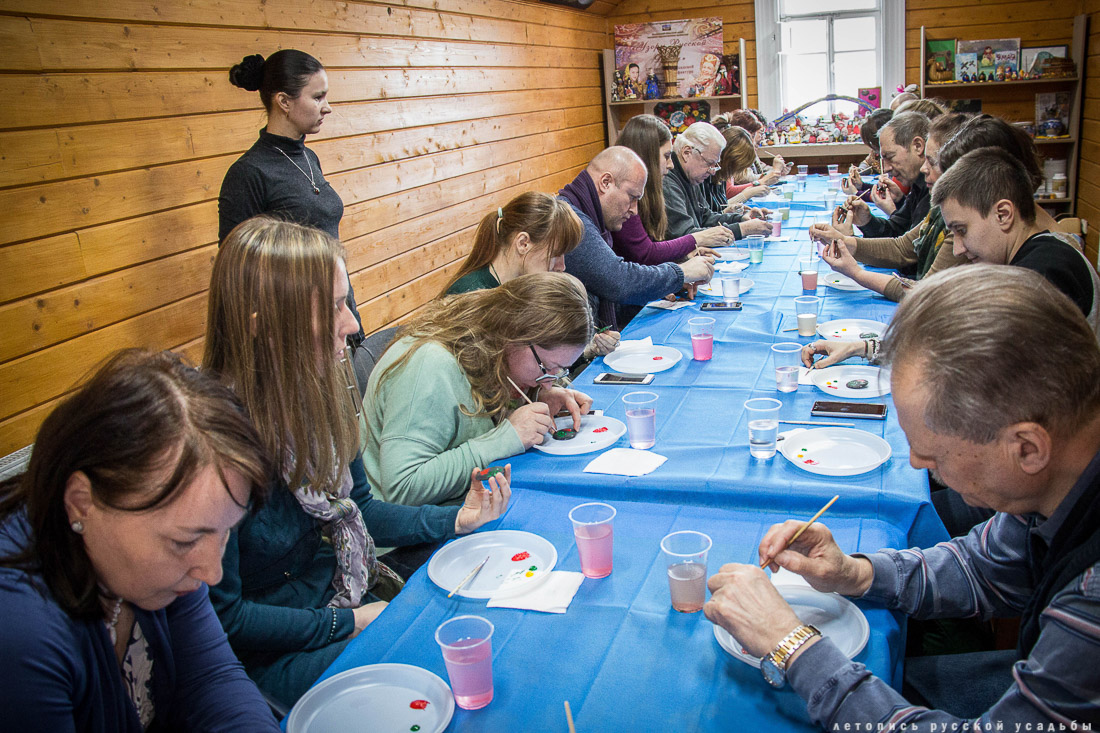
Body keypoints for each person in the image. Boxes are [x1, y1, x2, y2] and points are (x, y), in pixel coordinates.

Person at [706, 265, 1100, 726]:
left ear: (1027, 448)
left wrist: (791, 643)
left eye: (931, 452)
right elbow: (983, 566)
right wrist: (855, 572)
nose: (914, 463)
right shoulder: (1056, 482)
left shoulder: (1091, 602)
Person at [204, 217, 511, 708]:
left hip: (340, 599)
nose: (352, 324)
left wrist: (456, 517)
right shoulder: (214, 447)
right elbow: (227, 621)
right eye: (334, 308)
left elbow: (363, 509)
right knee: (432, 677)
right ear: (264, 324)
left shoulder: (316, 397)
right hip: (270, 653)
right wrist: (346, 623)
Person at [0, 349, 280, 731]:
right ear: (82, 504)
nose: (212, 572)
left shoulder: (170, 570)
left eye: (225, 531)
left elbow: (212, 680)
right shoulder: (20, 636)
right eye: (184, 542)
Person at [363, 272, 593, 508]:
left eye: (560, 372)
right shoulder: (431, 365)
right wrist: (504, 438)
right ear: (515, 335)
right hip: (411, 532)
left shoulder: (493, 344)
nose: (549, 381)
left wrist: (536, 394)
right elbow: (403, 488)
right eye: (548, 368)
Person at [219, 49, 364, 341]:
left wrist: (348, 312)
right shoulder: (248, 173)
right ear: (284, 101)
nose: (328, 107)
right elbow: (237, 273)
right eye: (317, 97)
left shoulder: (309, 157)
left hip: (338, 317)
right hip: (298, 333)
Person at [932, 146, 1100, 334]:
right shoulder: (1044, 252)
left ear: (1003, 215)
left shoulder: (1042, 274)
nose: (957, 249)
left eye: (961, 230)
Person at [808, 112, 971, 301]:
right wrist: (841, 239)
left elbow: (925, 293)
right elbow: (902, 247)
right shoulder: (939, 203)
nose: (924, 168)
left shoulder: (958, 212)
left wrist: (857, 273)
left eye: (932, 161)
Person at [442, 191, 618, 359]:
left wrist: (584, 350)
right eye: (555, 255)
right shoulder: (470, 296)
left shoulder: (521, 287)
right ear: (523, 243)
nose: (562, 267)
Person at [559, 146, 715, 328]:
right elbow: (618, 280)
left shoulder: (589, 212)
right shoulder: (571, 219)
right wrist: (682, 273)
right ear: (606, 182)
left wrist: (662, 286)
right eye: (632, 197)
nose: (634, 210)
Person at [612, 114, 733, 266]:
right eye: (667, 156)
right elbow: (644, 254)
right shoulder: (625, 197)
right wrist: (697, 240)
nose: (671, 165)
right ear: (649, 156)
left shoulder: (649, 192)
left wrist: (682, 258)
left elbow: (653, 251)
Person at [663, 122, 772, 240]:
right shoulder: (668, 182)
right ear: (687, 153)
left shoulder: (690, 176)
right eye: (709, 163)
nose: (713, 171)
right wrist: (742, 229)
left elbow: (706, 218)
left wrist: (740, 219)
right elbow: (686, 236)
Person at [840, 111, 930, 237]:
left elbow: (908, 251)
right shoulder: (918, 184)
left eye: (890, 157)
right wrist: (867, 221)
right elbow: (898, 229)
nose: (886, 169)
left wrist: (850, 241)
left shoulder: (932, 188)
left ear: (918, 146)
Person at [843, 108, 892, 193]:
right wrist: (861, 184)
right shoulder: (876, 151)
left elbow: (891, 196)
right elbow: (868, 163)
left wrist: (856, 193)